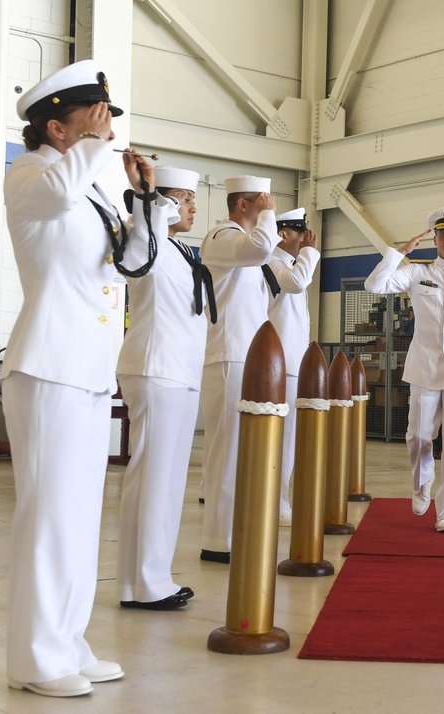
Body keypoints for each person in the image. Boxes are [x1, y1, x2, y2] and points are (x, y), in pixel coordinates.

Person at [2, 59, 168, 697]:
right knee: (47, 515)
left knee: (75, 517)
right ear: (57, 127)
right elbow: (61, 196)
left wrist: (145, 204)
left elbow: (127, 260)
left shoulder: (90, 182)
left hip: (88, 368)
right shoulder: (31, 175)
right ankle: (35, 661)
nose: (106, 129)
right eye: (94, 119)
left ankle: (66, 642)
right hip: (47, 365)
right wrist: (98, 154)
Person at [116, 166, 213, 610]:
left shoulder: (178, 248)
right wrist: (150, 195)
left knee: (168, 479)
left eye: (192, 199)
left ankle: (151, 578)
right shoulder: (146, 235)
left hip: (181, 370)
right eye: (184, 198)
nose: (192, 207)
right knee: (153, 477)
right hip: (157, 368)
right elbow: (140, 249)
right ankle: (144, 582)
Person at [364, 207, 444, 533]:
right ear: (435, 238)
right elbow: (374, 285)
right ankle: (422, 481)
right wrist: (398, 254)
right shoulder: (417, 272)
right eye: (443, 233)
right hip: (424, 366)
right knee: (419, 435)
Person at [198, 175, 278, 563]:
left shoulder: (241, 243)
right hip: (228, 355)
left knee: (243, 449)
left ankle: (234, 532)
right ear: (242, 205)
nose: (266, 206)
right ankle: (218, 539)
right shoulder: (222, 237)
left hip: (248, 358)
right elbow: (261, 248)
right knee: (226, 449)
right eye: (258, 201)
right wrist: (270, 215)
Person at [265, 207, 320, 525]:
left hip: (291, 359)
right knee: (284, 434)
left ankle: (279, 495)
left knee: (290, 434)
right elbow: (297, 283)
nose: (306, 238)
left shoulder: (289, 262)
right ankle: (277, 499)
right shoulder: (273, 261)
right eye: (301, 233)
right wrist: (310, 253)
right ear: (283, 234)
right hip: (281, 360)